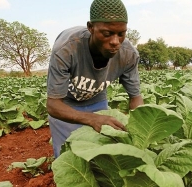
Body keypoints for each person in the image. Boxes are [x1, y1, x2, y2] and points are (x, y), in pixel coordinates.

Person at [46, 0, 144, 158]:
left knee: (102, 154)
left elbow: (136, 98)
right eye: (107, 34)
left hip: (97, 98)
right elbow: (53, 105)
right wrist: (92, 119)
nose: (115, 42)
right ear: (91, 27)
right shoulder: (66, 49)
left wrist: (140, 131)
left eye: (121, 34)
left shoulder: (128, 54)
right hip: (65, 103)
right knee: (67, 157)